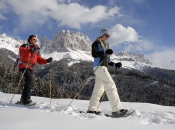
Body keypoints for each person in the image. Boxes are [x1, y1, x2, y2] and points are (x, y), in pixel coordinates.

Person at [87, 28, 128, 117]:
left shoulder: (106, 45)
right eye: (106, 35)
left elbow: (107, 60)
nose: (108, 37)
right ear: (102, 34)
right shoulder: (96, 43)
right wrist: (105, 52)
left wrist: (115, 64)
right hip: (99, 67)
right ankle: (117, 110)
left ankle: (91, 109)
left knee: (99, 89)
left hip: (102, 68)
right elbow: (94, 54)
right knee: (110, 85)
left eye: (109, 36)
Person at [17, 35, 53, 105]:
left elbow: (39, 60)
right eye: (33, 39)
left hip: (31, 67)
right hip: (24, 65)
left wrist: (47, 61)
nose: (35, 41)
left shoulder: (36, 49)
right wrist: (30, 50)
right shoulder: (25, 46)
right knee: (29, 79)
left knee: (28, 81)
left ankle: (23, 99)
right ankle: (26, 99)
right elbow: (22, 51)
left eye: (35, 40)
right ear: (30, 39)